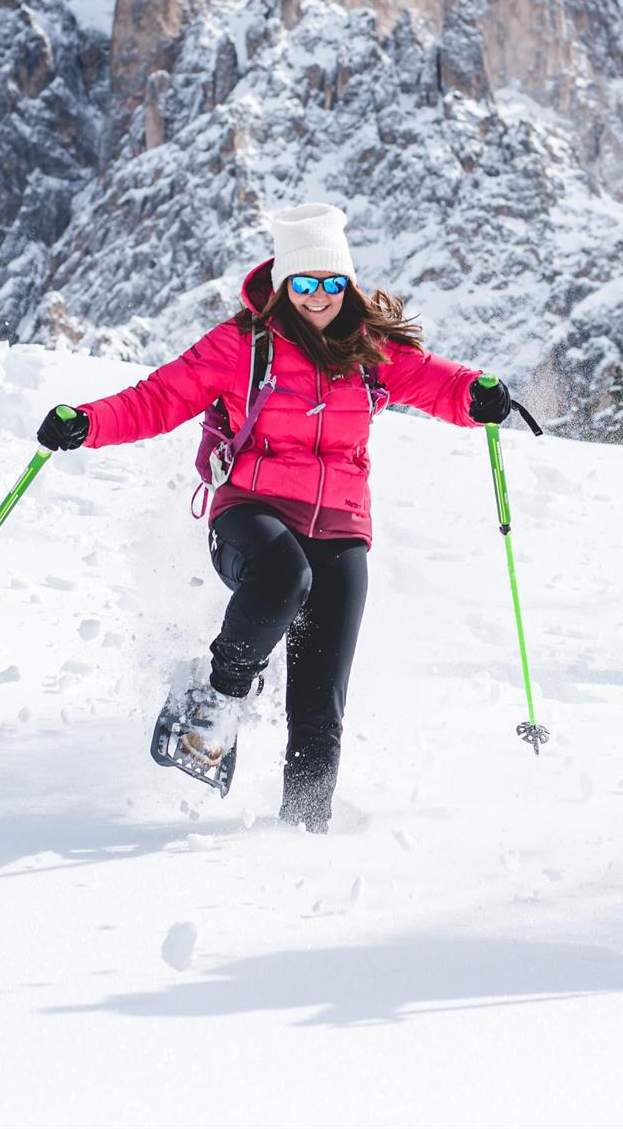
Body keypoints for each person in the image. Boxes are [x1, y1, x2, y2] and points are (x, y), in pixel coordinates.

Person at [36, 203, 515, 831]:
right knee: (285, 578)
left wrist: (475, 392)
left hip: (341, 529)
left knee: (321, 702)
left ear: (348, 286)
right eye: (306, 283)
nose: (319, 297)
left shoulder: (372, 351)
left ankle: (302, 836)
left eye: (332, 283)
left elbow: (436, 383)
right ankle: (220, 694)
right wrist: (89, 422)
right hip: (250, 513)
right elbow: (159, 398)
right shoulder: (244, 344)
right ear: (284, 284)